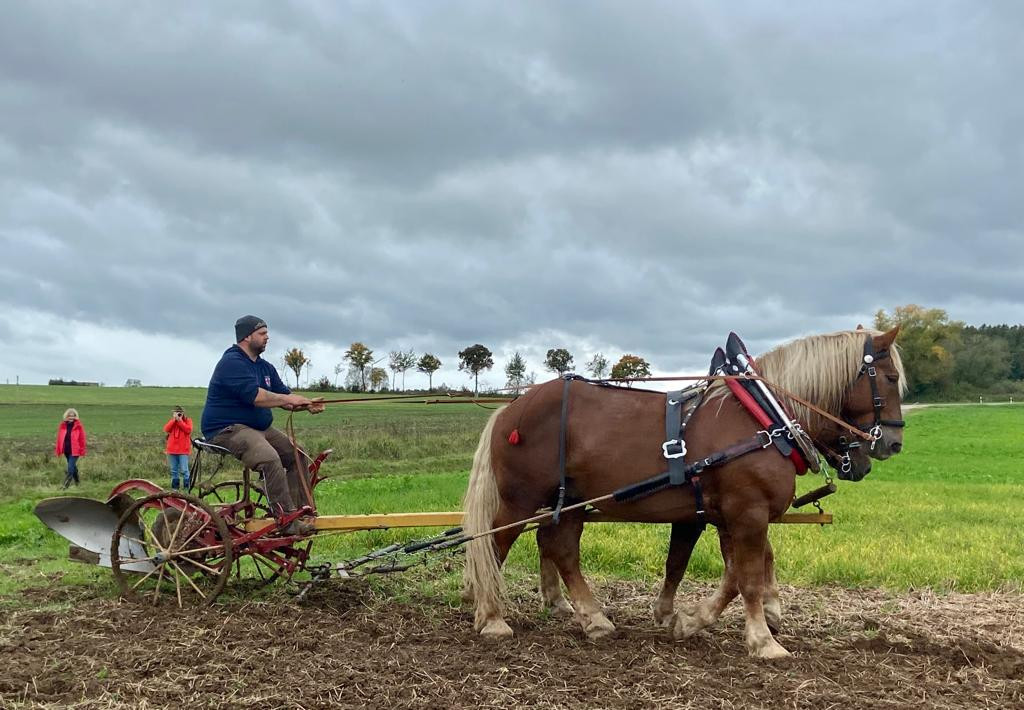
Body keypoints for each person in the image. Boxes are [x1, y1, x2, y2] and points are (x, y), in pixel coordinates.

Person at [201, 315, 324, 535]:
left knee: (298, 455)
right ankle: (286, 520)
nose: (267, 337)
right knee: (270, 458)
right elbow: (257, 397)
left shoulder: (264, 368)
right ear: (247, 336)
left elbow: (283, 396)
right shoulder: (232, 362)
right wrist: (288, 400)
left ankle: (301, 512)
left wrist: (306, 403)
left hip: (258, 428)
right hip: (228, 429)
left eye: (267, 333)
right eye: (262, 333)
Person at [54, 408, 87, 488]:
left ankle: (65, 485)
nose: (71, 417)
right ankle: (78, 483)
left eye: (73, 416)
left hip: (75, 451)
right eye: (69, 416)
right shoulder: (63, 425)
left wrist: (82, 450)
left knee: (70, 467)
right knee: (73, 467)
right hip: (67, 450)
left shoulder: (78, 426)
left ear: (76, 416)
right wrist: (58, 449)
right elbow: (59, 438)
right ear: (66, 416)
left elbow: (82, 439)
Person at [163, 405, 193, 490]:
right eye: (176, 413)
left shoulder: (188, 421)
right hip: (172, 450)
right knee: (174, 471)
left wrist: (180, 421)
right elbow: (166, 429)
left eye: (179, 413)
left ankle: (187, 489)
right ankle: (175, 490)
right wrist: (174, 420)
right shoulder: (172, 422)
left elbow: (188, 430)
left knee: (184, 470)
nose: (178, 414)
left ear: (183, 413)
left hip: (183, 450)